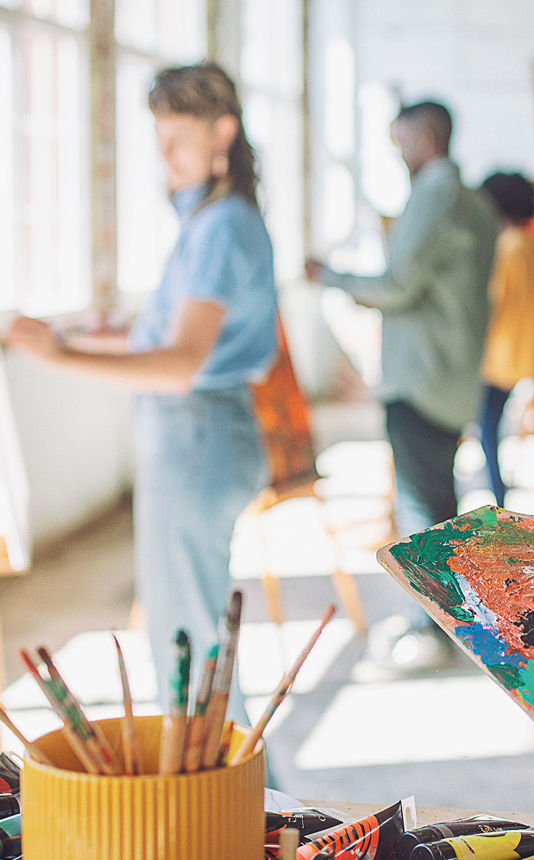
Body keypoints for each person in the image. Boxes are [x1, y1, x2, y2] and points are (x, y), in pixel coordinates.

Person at [5, 63, 277, 724]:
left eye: (177, 139)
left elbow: (178, 363)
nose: (164, 157)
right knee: (189, 630)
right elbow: (160, 338)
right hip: (198, 435)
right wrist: (80, 337)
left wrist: (61, 355)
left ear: (223, 133)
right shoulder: (213, 220)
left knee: (191, 641)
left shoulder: (220, 226)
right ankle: (227, 790)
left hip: (197, 435)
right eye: (158, 138)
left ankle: (227, 797)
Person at [306, 101, 498, 668]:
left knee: (421, 507)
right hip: (451, 373)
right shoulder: (473, 201)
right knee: (438, 497)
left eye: (402, 141)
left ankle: (432, 628)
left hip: (421, 379)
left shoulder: (434, 195)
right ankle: (453, 616)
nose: (398, 153)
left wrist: (331, 277)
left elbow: (396, 284)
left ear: (428, 137)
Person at [476, 172, 534, 507]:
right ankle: (497, 490)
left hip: (499, 356)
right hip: (529, 352)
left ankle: (497, 494)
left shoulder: (506, 248)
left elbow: (493, 302)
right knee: (492, 425)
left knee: (487, 429)